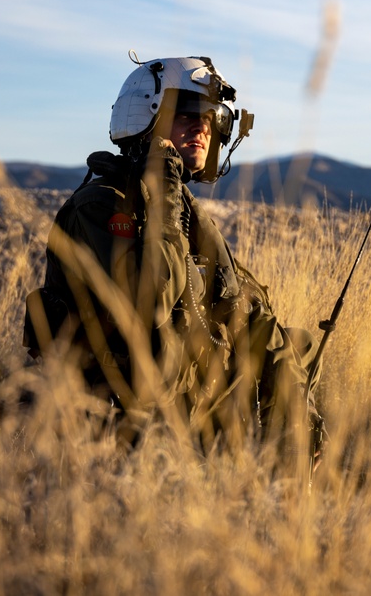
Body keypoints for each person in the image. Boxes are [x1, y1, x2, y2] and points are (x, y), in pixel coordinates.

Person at [23, 55, 323, 455]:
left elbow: (244, 306)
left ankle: (282, 479)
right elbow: (153, 301)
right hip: (123, 412)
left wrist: (295, 402)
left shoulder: (186, 212)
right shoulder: (99, 206)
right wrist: (162, 194)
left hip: (192, 398)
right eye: (185, 116)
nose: (202, 129)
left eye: (210, 119)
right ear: (145, 120)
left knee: (296, 347)